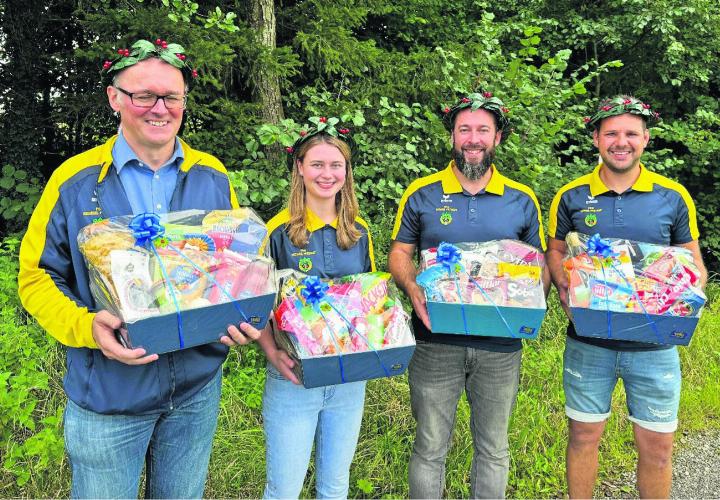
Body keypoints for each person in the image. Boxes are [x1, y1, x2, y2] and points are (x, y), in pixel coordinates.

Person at [18, 38, 259, 498]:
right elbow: (35, 276)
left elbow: (231, 267)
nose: (159, 109)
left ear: (184, 100)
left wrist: (239, 310)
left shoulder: (212, 174)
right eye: (142, 95)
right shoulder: (74, 181)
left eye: (171, 96)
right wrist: (88, 327)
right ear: (115, 97)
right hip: (109, 397)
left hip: (195, 391)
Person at [546, 95, 708, 499]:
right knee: (583, 436)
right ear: (597, 139)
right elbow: (555, 251)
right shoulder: (570, 195)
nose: (622, 141)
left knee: (658, 447)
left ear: (646, 139)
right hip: (589, 342)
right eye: (612, 133)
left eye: (631, 133)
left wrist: (691, 295)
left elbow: (693, 263)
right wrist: (564, 285)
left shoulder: (672, 196)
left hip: (655, 344)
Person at [388, 92, 548, 498]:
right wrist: (411, 286)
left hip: (500, 346)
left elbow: (540, 267)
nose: (473, 139)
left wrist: (526, 302)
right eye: (464, 130)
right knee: (429, 448)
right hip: (434, 341)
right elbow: (400, 254)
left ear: (497, 138)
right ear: (452, 137)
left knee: (493, 450)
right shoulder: (421, 193)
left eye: (482, 130)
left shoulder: (522, 199)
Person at [255, 118, 375, 499]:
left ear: (346, 171)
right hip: (295, 379)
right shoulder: (276, 231)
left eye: (335, 165)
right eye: (318, 165)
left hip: (348, 380)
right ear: (300, 169)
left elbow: (371, 299)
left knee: (335, 487)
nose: (327, 174)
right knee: (283, 491)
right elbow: (254, 303)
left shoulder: (359, 231)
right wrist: (272, 351)